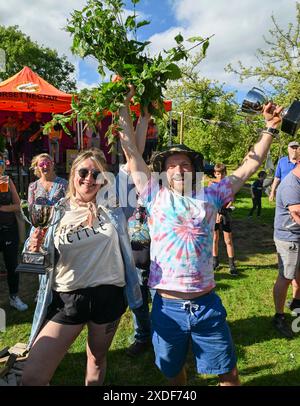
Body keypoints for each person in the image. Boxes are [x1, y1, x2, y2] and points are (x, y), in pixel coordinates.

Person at [118, 85, 282, 386]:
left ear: (193, 170)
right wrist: (123, 105)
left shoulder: (212, 195)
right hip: (166, 306)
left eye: (184, 164)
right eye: (171, 165)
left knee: (229, 375)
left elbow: (249, 166)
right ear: (163, 173)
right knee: (174, 374)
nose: (178, 169)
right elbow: (131, 152)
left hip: (206, 304)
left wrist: (269, 128)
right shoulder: (153, 194)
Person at [21, 146, 143, 386]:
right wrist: (34, 247)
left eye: (96, 174)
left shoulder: (115, 208)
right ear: (73, 175)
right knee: (33, 377)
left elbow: (133, 156)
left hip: (109, 296)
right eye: (84, 172)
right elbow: (29, 261)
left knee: (97, 360)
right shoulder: (55, 213)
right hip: (68, 300)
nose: (89, 178)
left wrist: (129, 118)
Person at [272, 161, 300, 338]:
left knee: (299, 273)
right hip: (288, 237)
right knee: (286, 277)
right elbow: (297, 214)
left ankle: (296, 304)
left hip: (297, 235)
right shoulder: (291, 184)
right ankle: (278, 316)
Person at [0, 151, 28, 311]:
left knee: (12, 264)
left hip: (8, 230)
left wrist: (4, 208)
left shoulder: (5, 181)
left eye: (1, 163)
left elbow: (19, 205)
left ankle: (14, 296)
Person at [210, 163, 238, 276]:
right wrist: (216, 213)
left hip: (224, 213)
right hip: (214, 214)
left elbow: (231, 199)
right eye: (217, 173)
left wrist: (222, 212)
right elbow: (211, 200)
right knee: (214, 238)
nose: (220, 176)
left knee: (228, 240)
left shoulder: (228, 185)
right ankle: (215, 262)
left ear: (225, 173)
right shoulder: (212, 184)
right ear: (214, 174)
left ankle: (232, 265)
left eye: (222, 173)